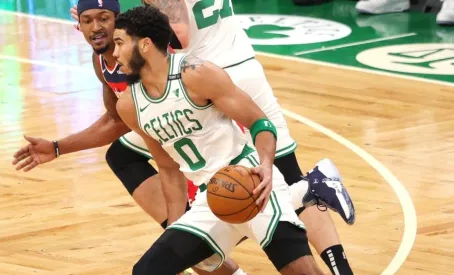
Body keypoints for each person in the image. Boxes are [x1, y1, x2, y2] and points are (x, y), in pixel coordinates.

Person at [70, 1, 355, 273]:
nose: (114, 53)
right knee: (148, 269)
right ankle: (307, 190)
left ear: (145, 44)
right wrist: (175, 226)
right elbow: (168, 168)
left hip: (251, 182)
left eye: (120, 44)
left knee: (301, 270)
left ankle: (303, 191)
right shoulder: (129, 106)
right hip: (211, 198)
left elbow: (260, 123)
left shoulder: (195, 74)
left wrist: (267, 164)